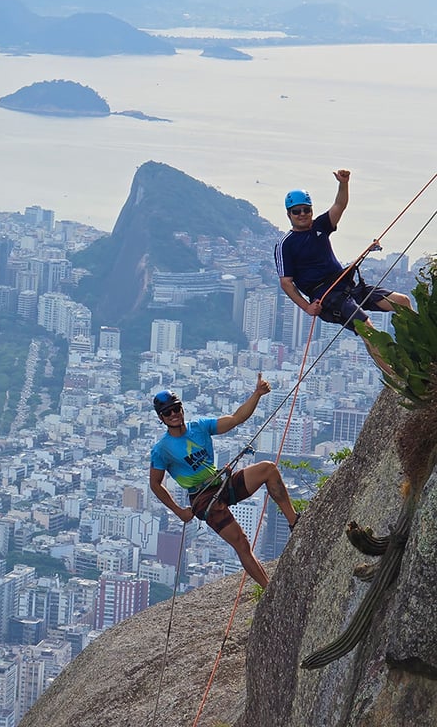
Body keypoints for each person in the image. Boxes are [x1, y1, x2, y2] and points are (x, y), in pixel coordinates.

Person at [148, 378, 298, 589]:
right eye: (167, 412)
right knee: (241, 542)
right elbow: (155, 484)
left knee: (268, 469)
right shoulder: (162, 449)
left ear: (182, 409)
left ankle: (294, 523)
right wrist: (178, 511)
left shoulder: (199, 427)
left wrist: (257, 394)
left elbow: (236, 418)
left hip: (221, 482)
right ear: (161, 418)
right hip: (203, 499)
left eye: (176, 409)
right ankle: (270, 589)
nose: (173, 415)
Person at [274, 169, 412, 369]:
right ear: (289, 214)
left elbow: (339, 205)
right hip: (327, 296)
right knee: (367, 330)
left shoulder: (319, 226)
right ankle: (394, 376)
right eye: (297, 211)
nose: (302, 214)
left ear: (311, 210)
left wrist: (344, 183)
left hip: (346, 283)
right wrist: (307, 307)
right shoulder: (286, 244)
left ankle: (417, 351)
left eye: (306, 209)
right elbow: (286, 282)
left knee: (402, 302)